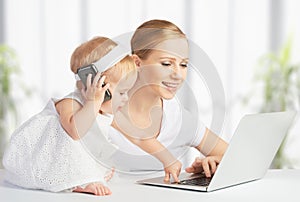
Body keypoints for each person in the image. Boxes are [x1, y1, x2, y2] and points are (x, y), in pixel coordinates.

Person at [2, 36, 137, 196]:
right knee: (73, 133)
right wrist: (93, 101)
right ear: (96, 83)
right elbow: (75, 132)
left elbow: (93, 142)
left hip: (70, 158)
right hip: (46, 160)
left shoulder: (101, 112)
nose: (126, 98)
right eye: (122, 92)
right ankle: (77, 182)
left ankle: (86, 175)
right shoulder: (70, 102)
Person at [108, 19, 228, 181]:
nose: (178, 74)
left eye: (184, 64)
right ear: (137, 63)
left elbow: (234, 157)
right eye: (166, 63)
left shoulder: (177, 118)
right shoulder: (101, 107)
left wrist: (215, 163)